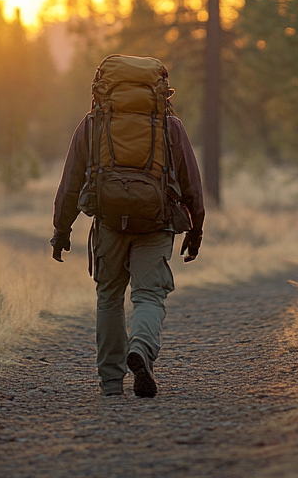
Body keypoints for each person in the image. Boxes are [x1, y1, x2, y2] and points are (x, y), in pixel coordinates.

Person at [50, 55, 205, 398]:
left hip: (108, 223)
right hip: (157, 222)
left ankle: (110, 383)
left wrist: (62, 231)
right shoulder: (170, 126)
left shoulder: (92, 124)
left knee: (108, 297)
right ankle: (142, 348)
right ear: (160, 91)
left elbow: (71, 184)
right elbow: (192, 183)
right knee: (149, 294)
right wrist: (195, 231)